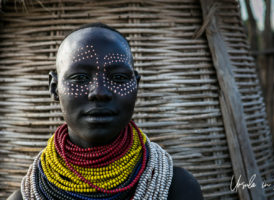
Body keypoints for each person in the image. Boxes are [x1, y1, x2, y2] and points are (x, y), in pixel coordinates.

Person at [8, 23, 203, 200]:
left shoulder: (178, 189)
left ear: (136, 84)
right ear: (54, 88)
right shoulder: (26, 196)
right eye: (79, 78)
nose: (99, 92)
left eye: (118, 77)